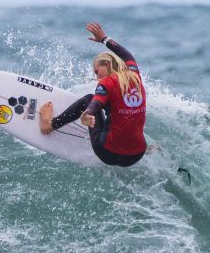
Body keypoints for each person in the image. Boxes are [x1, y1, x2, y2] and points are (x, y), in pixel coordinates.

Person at [39, 22, 147, 167]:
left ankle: (50, 125)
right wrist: (104, 39)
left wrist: (87, 113)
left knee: (88, 99)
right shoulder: (135, 75)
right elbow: (126, 54)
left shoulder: (107, 82)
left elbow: (95, 102)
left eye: (97, 71)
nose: (97, 77)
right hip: (136, 156)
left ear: (107, 66)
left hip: (108, 153)